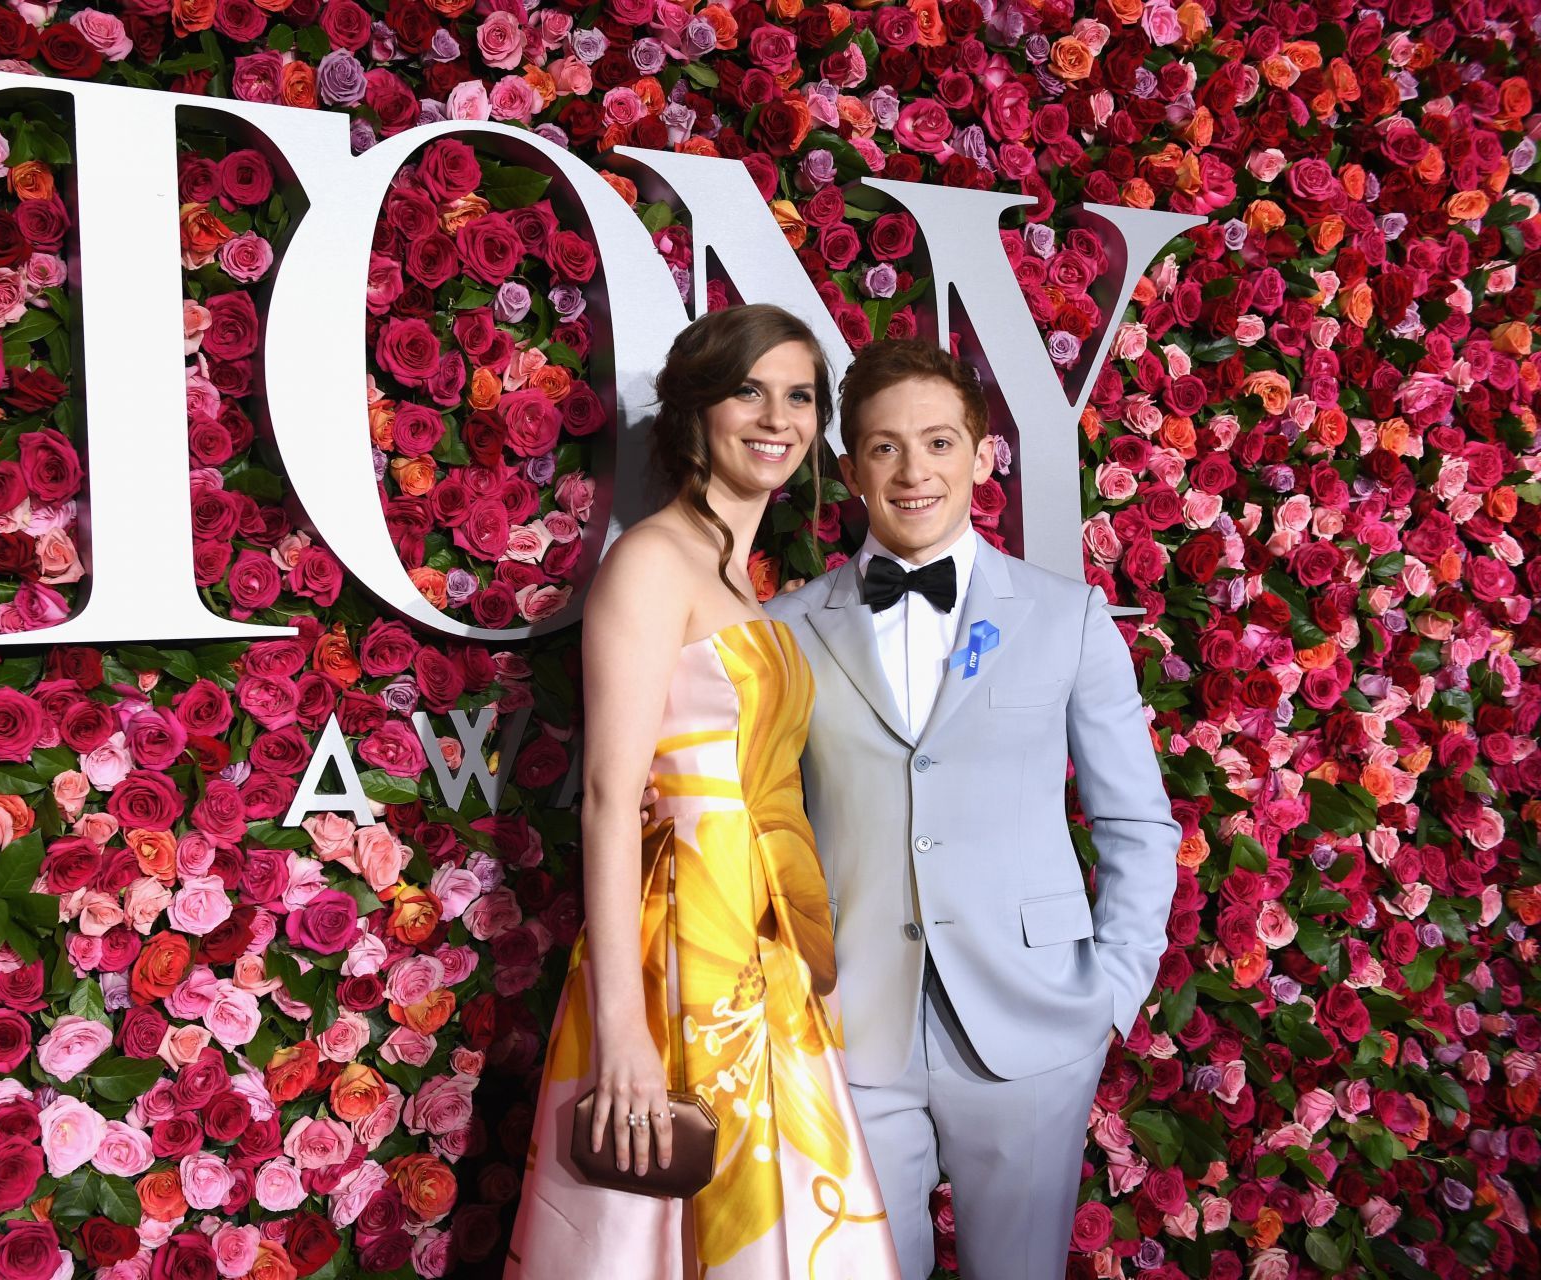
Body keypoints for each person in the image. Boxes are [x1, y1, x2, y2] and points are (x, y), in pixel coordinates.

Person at [759, 338, 1180, 1280]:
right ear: (849, 466)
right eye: (884, 448)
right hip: (848, 1024)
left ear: (984, 455)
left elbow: (1137, 825)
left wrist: (1110, 995)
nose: (915, 472)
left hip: (1036, 1024)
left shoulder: (1069, 618)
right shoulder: (783, 630)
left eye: (940, 442)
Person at [505, 305, 903, 1279]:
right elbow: (608, 797)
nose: (777, 415)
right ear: (697, 410)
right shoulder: (651, 560)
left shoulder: (738, 578)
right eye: (749, 389)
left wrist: (812, 962)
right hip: (681, 951)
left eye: (799, 395)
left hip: (764, 951)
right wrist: (622, 1035)